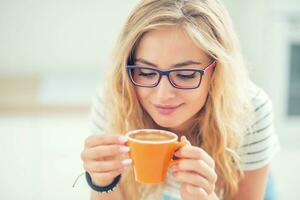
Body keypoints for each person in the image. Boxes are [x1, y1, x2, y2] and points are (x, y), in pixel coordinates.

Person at [80, 0, 280, 199]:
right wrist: (102, 182)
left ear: (217, 72)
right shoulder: (115, 98)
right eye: (146, 72)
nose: (163, 94)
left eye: (185, 75)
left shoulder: (251, 111)